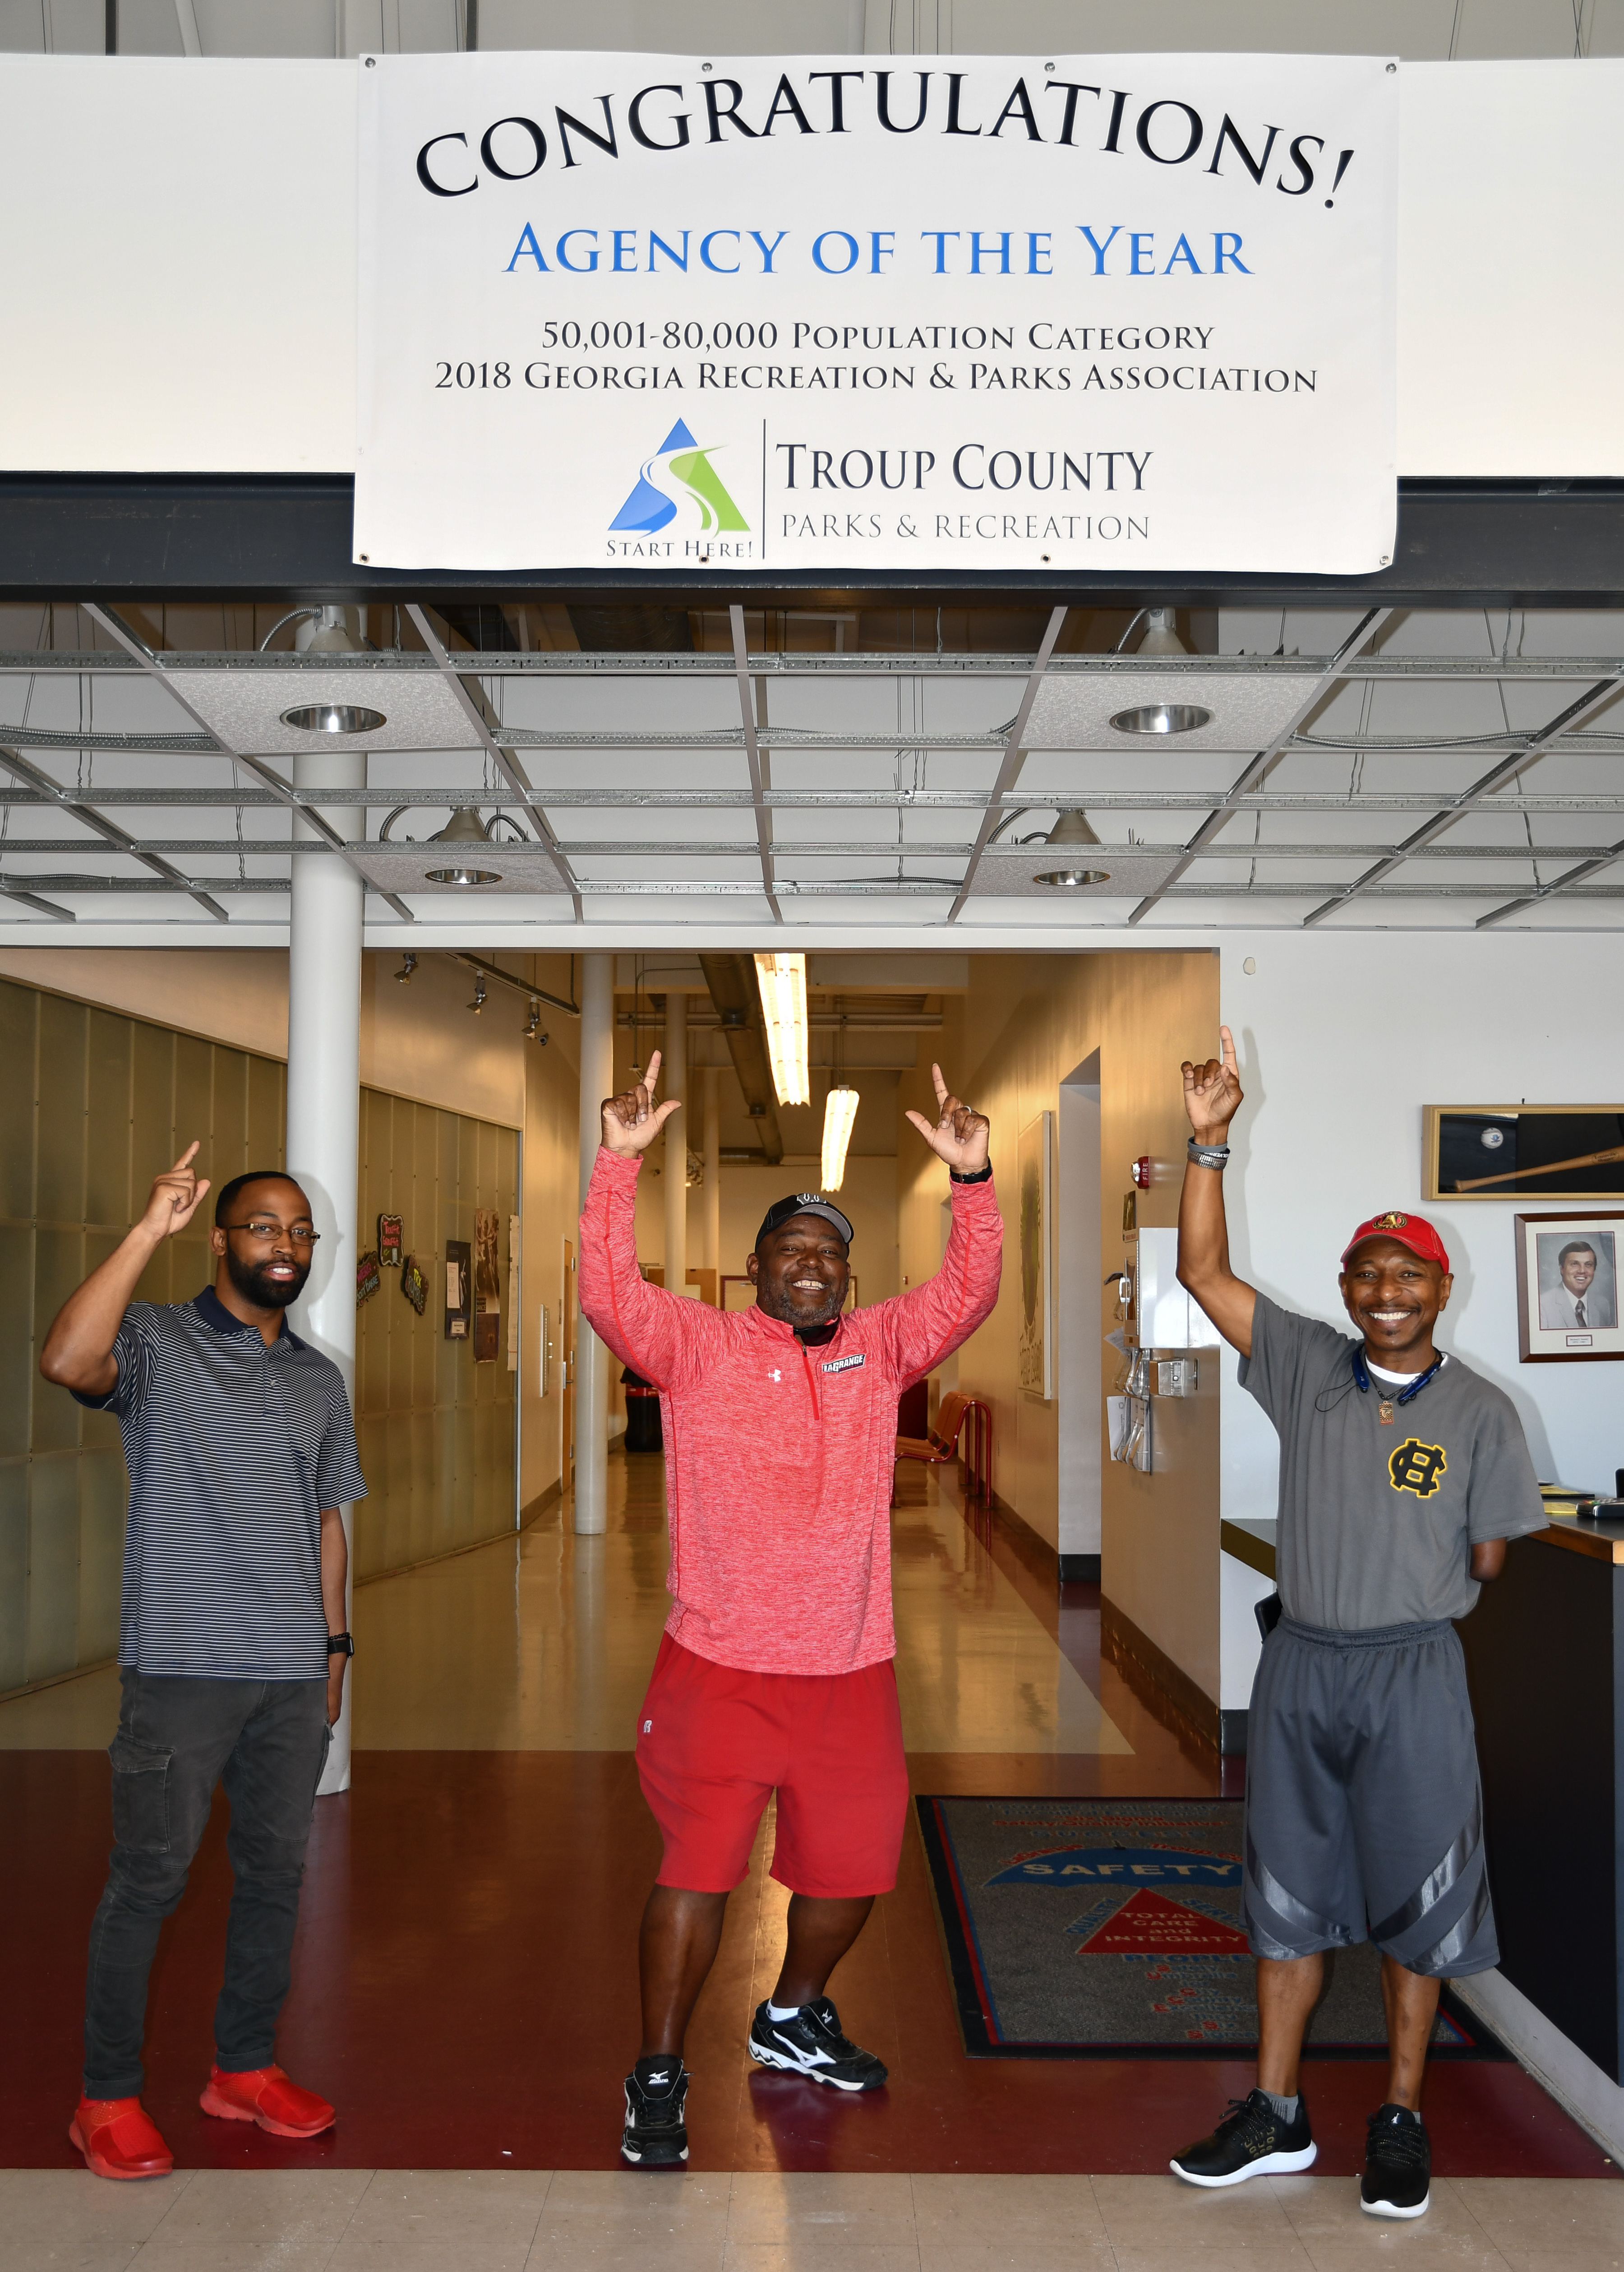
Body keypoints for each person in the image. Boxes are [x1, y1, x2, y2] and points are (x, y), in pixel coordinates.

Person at [580, 1054, 1001, 2169]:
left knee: (854, 1867)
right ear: (756, 1266)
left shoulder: (882, 1350)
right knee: (697, 1872)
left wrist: (974, 1182)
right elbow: (607, 1293)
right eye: (791, 1249)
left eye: (829, 1252)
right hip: (717, 1663)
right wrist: (616, 1165)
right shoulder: (697, 1347)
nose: (810, 1265)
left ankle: (791, 2008)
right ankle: (658, 2069)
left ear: (847, 1276)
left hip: (850, 1665)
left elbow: (969, 1292)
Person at [1169, 1030, 1545, 2220]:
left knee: (1422, 1904)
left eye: (1409, 1274)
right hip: (1305, 1668)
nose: (1387, 1291)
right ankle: (1276, 2112)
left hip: (1415, 1676)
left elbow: (1491, 1553)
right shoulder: (1307, 1365)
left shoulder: (1486, 1410)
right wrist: (1209, 1143)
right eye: (1367, 1273)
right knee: (1285, 1891)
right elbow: (1202, 1271)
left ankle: (1400, 2115)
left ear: (1443, 1289)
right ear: (1347, 1289)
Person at [39, 1147, 365, 2183]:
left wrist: (335, 1647)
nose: (286, 1244)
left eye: (300, 1231)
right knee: (150, 1878)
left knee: (275, 1874)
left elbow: (327, 1520)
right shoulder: (158, 1340)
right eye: (264, 1226)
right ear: (222, 1239)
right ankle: (105, 2096)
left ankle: (243, 2069)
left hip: (287, 1676)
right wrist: (146, 1231)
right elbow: (64, 1362)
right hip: (181, 1669)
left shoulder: (319, 1376)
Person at [1539, 1238, 1614, 1331]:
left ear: (1594, 1269)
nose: (1582, 1271)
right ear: (1562, 1269)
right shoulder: (1542, 1306)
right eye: (1575, 1264)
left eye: (1588, 1264)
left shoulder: (1603, 1305)